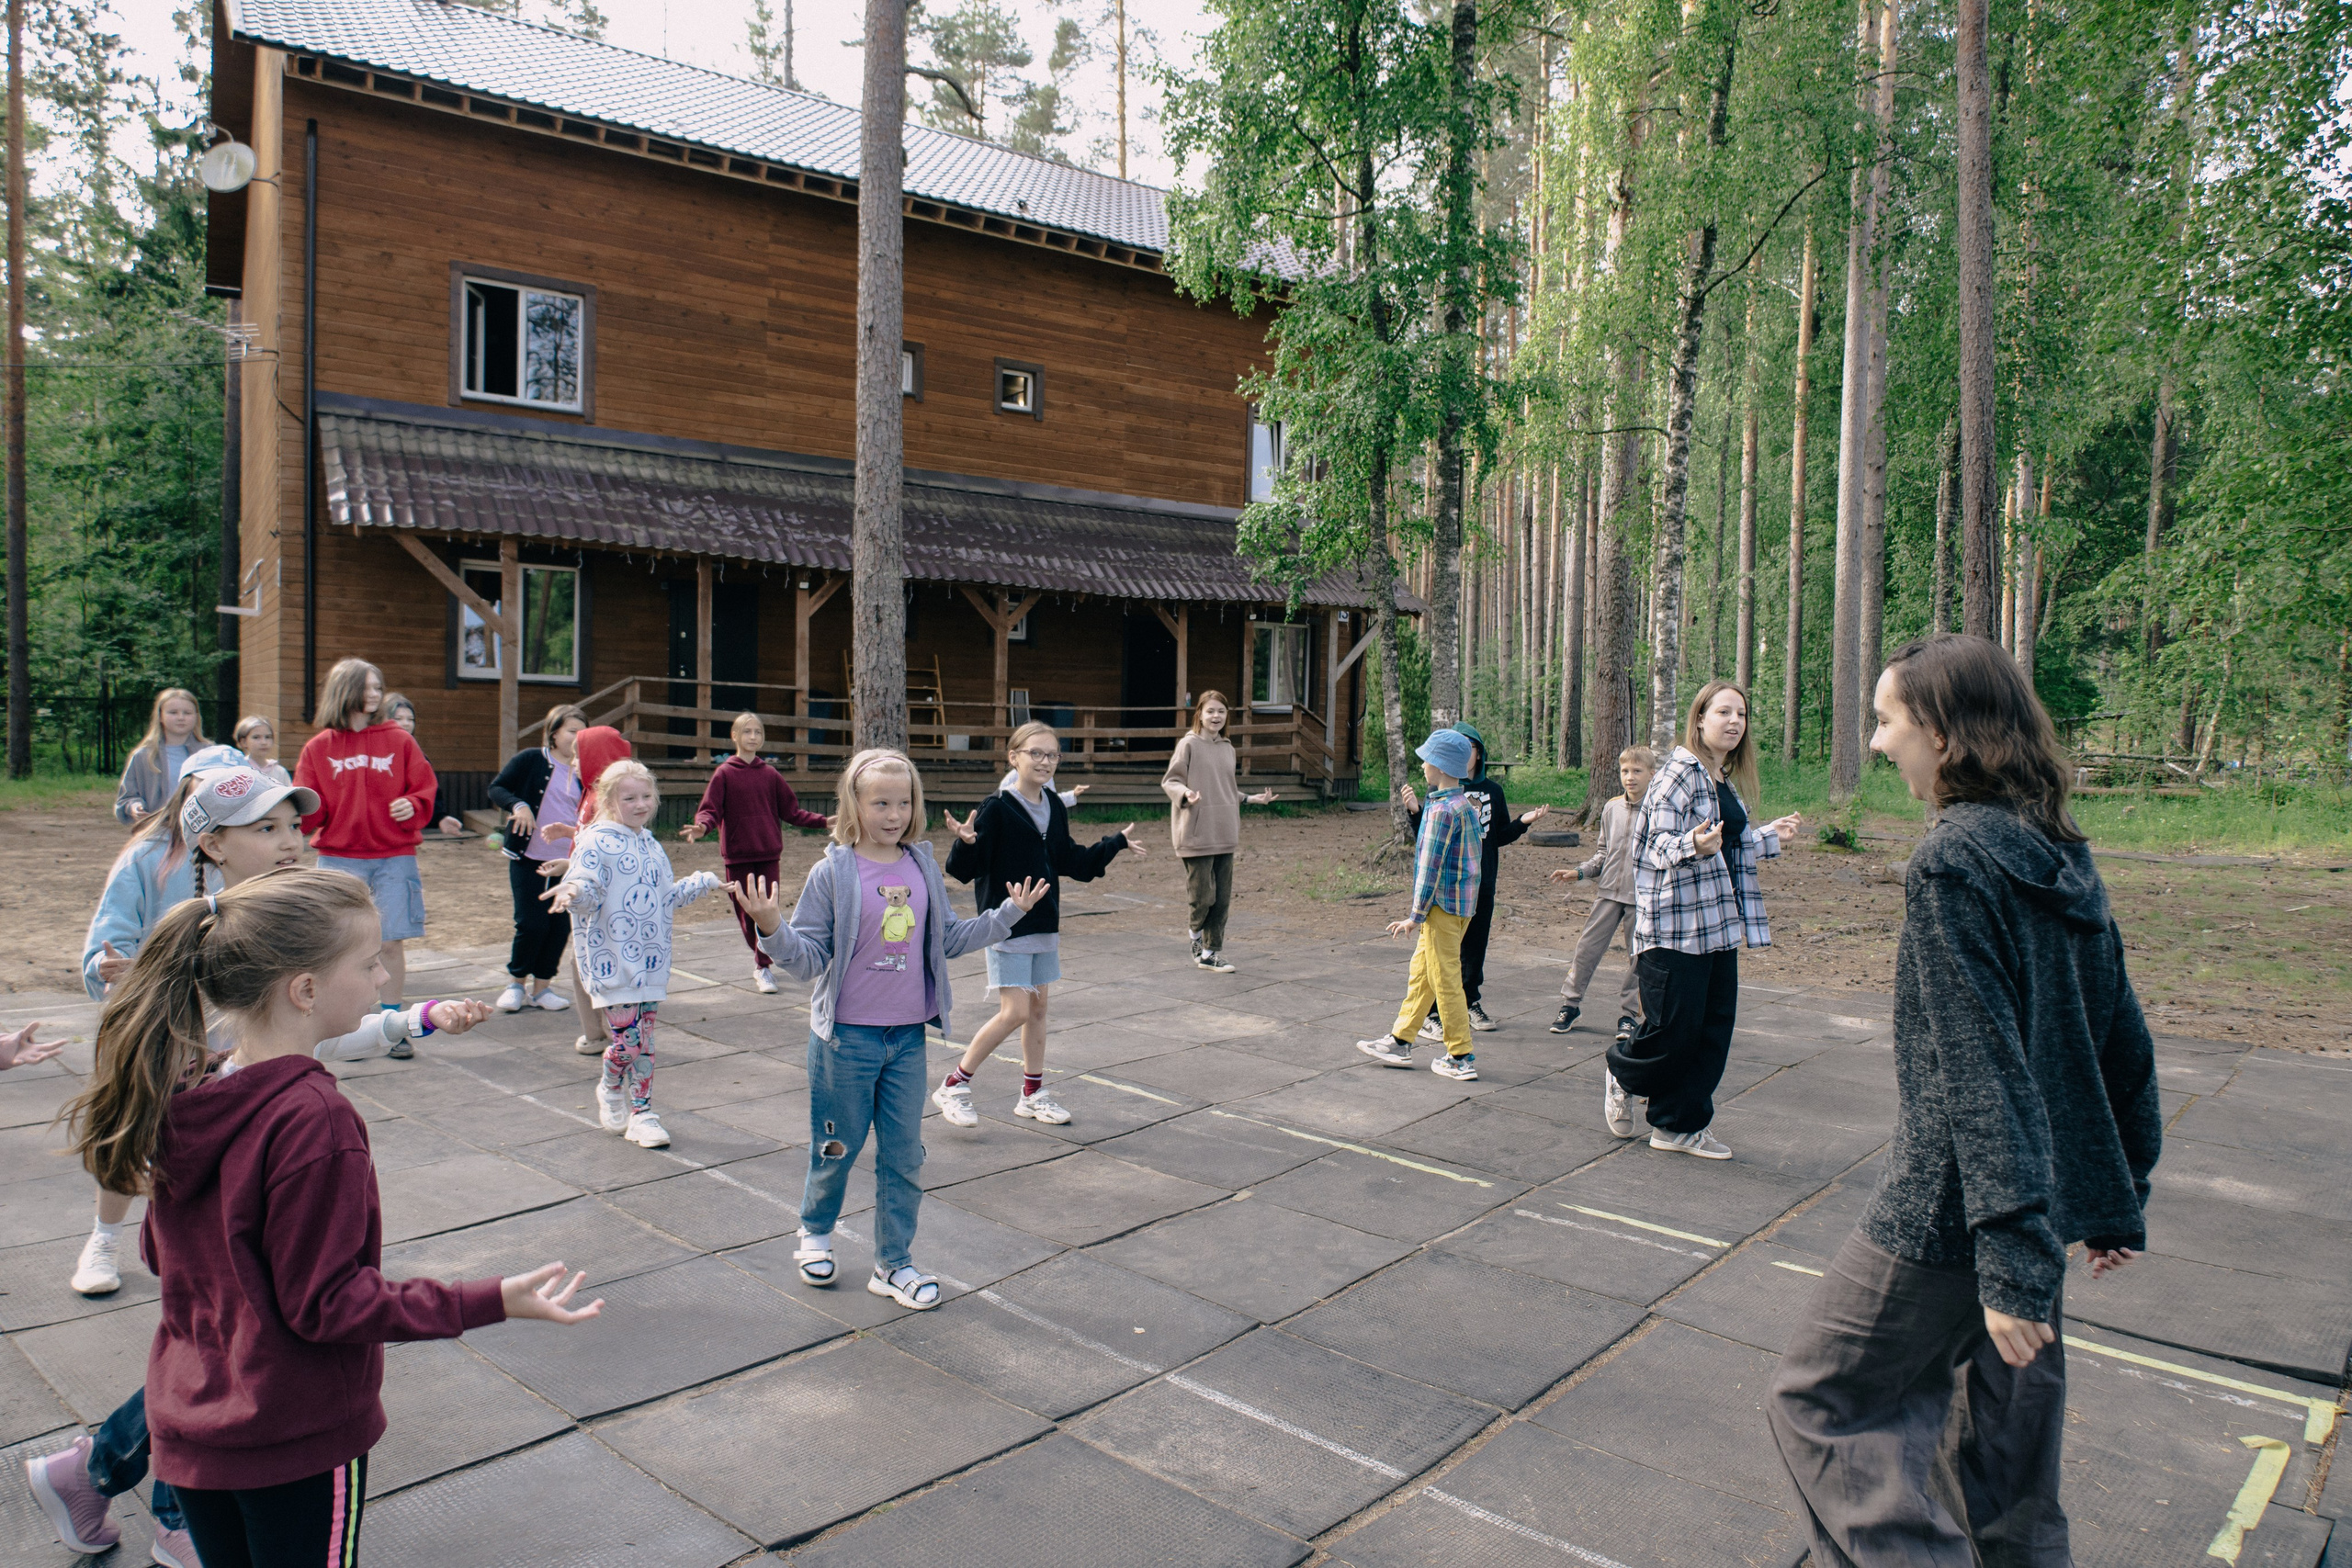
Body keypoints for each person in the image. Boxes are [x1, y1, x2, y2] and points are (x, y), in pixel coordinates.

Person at [47, 869, 597, 1568]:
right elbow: (327, 1303)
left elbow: (162, 1253)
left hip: (192, 1427)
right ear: (304, 990)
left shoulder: (190, 1090)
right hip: (291, 1438)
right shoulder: (315, 1119)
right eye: (368, 965)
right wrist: (487, 1300)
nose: (382, 977)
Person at [1768, 635, 2161, 1566]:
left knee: (1822, 1400)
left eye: (1885, 721)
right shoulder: (2057, 848)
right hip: (2036, 1203)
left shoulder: (1954, 861)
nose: (1876, 743)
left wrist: (2011, 1258)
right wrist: (2114, 1194)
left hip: (1958, 1208)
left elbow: (1983, 1072)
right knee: (2004, 1450)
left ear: (1941, 733)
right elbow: (2120, 1042)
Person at [730, 750, 1046, 1308]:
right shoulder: (833, 873)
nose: (894, 814)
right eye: (881, 803)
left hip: (905, 1040)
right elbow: (807, 960)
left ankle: (893, 1264)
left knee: (904, 1158)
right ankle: (815, 1232)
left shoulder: (921, 865)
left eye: (904, 802)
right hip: (845, 1041)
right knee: (836, 1147)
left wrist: (1007, 916)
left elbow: (948, 939)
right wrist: (772, 927)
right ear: (854, 804)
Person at [1607, 681, 1802, 1157]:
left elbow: (1728, 846)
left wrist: (1768, 835)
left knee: (1712, 1032)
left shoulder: (1720, 777)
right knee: (1672, 1035)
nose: (1735, 722)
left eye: (1741, 714)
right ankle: (1622, 1071)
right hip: (1674, 929)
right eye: (1723, 712)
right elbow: (1650, 846)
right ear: (1699, 719)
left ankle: (1677, 1126)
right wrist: (1690, 844)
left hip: (1717, 926)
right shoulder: (1678, 773)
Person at [933, 722, 1141, 1129]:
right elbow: (962, 870)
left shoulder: (1054, 805)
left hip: (1044, 922)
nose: (1045, 761)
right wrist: (966, 842)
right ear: (1014, 757)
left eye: (1052, 755)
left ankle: (1032, 1094)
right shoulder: (997, 807)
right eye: (1036, 753)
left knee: (1038, 1010)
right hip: (1007, 924)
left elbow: (1070, 860)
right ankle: (954, 1084)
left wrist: (1113, 843)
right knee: (1015, 1011)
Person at [547, 759, 722, 1150]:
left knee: (645, 1040)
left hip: (651, 963)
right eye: (630, 798)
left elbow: (665, 898)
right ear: (609, 801)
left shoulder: (651, 845)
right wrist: (572, 891)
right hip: (612, 963)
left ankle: (642, 1113)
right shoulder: (594, 841)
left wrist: (704, 881)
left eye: (646, 796)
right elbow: (587, 886)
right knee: (629, 1041)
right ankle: (611, 1085)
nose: (641, 804)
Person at [294, 658, 439, 1020]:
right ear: (345, 690)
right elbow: (308, 809)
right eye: (367, 687)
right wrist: (291, 813)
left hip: (394, 857)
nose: (376, 694)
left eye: (378, 687)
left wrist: (413, 803)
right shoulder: (317, 748)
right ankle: (343, 1021)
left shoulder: (400, 740)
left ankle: (391, 1021)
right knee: (340, 946)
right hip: (338, 861)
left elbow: (424, 788)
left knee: (389, 942)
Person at [1399, 722, 1548, 1032]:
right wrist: (1415, 812)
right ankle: (1433, 1014)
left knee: (1474, 947)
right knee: (1439, 957)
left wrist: (1523, 822)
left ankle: (1469, 1004)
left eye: (1469, 747)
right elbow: (1429, 845)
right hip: (1446, 891)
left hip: (1480, 883)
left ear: (1479, 754)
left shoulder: (1493, 791)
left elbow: (1499, 835)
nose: (1464, 753)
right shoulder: (1440, 795)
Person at [1355, 728, 1487, 1079]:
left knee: (1445, 979)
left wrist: (1415, 915)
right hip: (1458, 908)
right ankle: (1401, 1040)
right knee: (1422, 974)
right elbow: (1474, 864)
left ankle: (1460, 1056)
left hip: (1442, 909)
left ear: (1440, 766)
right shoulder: (1464, 805)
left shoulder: (1441, 811)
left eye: (1427, 759)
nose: (1423, 765)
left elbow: (1430, 868)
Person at [682, 712, 830, 995]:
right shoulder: (724, 774)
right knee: (746, 915)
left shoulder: (771, 775)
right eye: (747, 731)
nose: (753, 737)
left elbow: (792, 812)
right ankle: (762, 960)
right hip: (737, 856)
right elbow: (710, 810)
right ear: (734, 736)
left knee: (767, 911)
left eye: (758, 732)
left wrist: (824, 822)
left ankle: (763, 965)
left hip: (768, 855)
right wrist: (702, 826)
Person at [1159, 691, 1276, 972]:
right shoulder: (1188, 744)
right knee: (1203, 897)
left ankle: (1211, 953)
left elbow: (1225, 788)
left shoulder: (1227, 748)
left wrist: (1251, 799)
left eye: (1221, 712)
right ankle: (1195, 938)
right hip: (1196, 832)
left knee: (1221, 899)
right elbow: (1171, 781)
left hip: (1225, 832)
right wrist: (1186, 794)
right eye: (1210, 711)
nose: (1216, 716)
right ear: (1199, 714)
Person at [487, 704, 589, 1013]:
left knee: (559, 927)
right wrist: (518, 805)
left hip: (570, 862)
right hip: (529, 857)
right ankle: (516, 984)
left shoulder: (587, 769)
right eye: (572, 731)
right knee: (531, 924)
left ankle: (542, 988)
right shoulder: (531, 759)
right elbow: (497, 788)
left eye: (583, 732)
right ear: (554, 733)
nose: (578, 737)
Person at [1548, 745, 1652, 1041]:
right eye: (1625, 771)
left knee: (1638, 958)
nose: (1630, 777)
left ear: (1651, 774)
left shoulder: (1659, 809)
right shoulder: (1611, 808)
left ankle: (1629, 1015)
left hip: (1641, 898)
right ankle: (1570, 1005)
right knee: (1586, 949)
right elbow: (1603, 853)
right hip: (1608, 893)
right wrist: (1579, 872)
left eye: (1637, 771)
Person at [114, 689, 208, 825]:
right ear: (160, 716)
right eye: (173, 712)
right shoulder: (143, 756)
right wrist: (134, 807)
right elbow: (126, 798)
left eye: (187, 713)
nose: (181, 717)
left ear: (196, 717)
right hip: (157, 829)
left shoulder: (210, 754)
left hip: (198, 830)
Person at [379, 692, 467, 835]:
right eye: (398, 718)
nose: (406, 723)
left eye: (410, 719)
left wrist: (440, 817)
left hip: (401, 829)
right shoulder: (370, 752)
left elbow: (429, 789)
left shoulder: (417, 755)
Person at [231, 716, 293, 785]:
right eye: (256, 737)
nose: (264, 742)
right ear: (244, 742)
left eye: (268, 737)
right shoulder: (239, 770)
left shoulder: (280, 772)